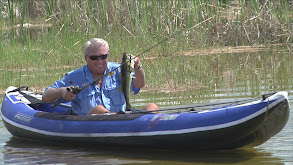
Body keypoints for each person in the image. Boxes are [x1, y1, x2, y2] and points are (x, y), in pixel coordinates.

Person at [42, 38, 159, 115]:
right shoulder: (74, 76)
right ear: (86, 58)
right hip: (90, 124)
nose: (100, 61)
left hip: (123, 119)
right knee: (99, 110)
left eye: (103, 57)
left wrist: (138, 66)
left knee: (152, 107)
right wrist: (62, 92)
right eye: (94, 58)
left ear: (108, 55)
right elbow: (46, 97)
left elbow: (139, 84)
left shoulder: (119, 69)